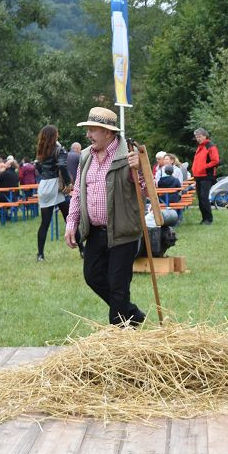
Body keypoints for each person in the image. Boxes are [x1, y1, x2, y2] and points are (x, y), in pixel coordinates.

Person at [65, 107, 147, 327]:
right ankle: (133, 315)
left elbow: (147, 191)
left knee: (118, 285)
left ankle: (117, 336)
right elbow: (78, 192)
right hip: (95, 232)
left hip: (123, 232)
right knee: (92, 276)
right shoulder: (86, 156)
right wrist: (72, 222)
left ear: (108, 132)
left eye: (93, 130)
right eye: (88, 130)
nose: (88, 135)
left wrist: (139, 170)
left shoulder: (128, 154)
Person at [34, 125, 71, 261]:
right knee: (69, 219)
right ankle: (82, 249)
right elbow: (62, 165)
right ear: (54, 135)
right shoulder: (59, 149)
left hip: (44, 185)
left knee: (45, 223)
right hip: (56, 185)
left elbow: (38, 166)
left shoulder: (41, 149)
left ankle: (40, 254)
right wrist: (68, 183)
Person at [191, 127, 220, 225]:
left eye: (199, 136)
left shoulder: (210, 146)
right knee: (200, 198)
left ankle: (209, 219)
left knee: (204, 197)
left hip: (206, 176)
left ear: (205, 136)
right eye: (196, 137)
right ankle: (204, 218)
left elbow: (215, 161)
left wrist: (204, 167)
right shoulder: (200, 147)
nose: (198, 138)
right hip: (198, 176)